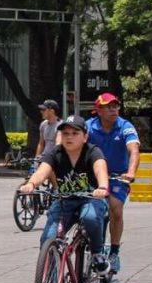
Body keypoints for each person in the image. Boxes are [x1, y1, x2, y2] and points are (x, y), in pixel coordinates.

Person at [20, 115, 111, 274]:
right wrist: (31, 184)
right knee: (49, 237)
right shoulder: (55, 153)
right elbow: (43, 171)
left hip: (91, 199)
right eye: (65, 133)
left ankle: (97, 253)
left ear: (85, 137)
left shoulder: (92, 151)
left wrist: (102, 187)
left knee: (90, 218)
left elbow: (100, 169)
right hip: (65, 201)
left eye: (75, 133)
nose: (69, 137)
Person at [85, 93, 139, 276]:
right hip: (93, 177)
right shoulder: (88, 127)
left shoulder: (125, 126)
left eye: (116, 106)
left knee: (116, 209)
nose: (114, 110)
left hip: (117, 177)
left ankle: (114, 253)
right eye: (108, 107)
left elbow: (134, 151)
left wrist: (131, 173)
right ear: (98, 110)